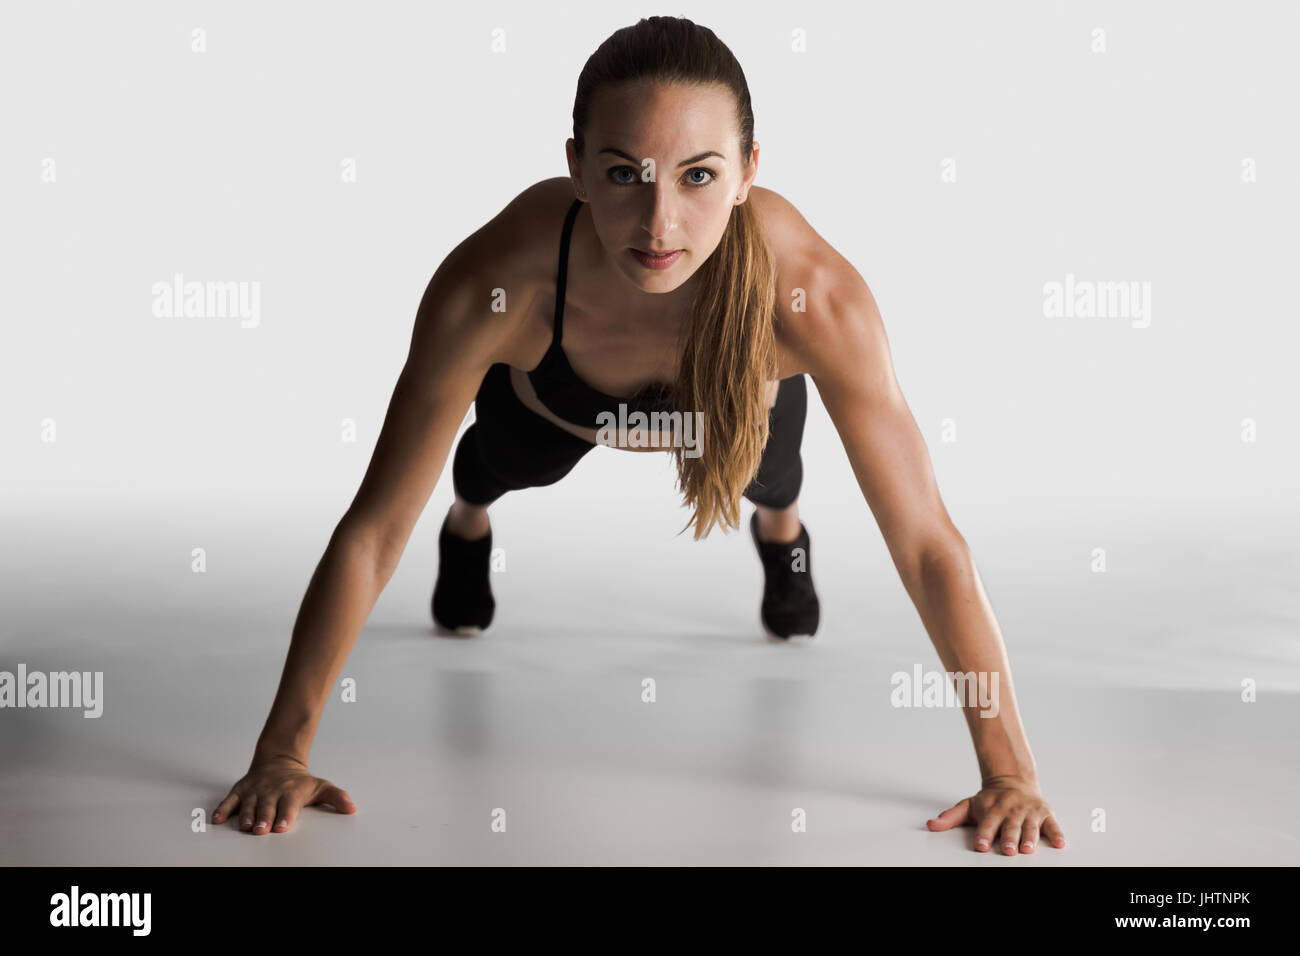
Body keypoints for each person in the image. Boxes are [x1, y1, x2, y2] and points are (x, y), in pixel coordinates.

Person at [215, 16, 1066, 857]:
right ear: (577, 167)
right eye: (626, 173)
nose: (659, 225)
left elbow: (926, 544)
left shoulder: (813, 298)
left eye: (698, 176)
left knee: (773, 479)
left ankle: (782, 534)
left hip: (729, 408)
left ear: (747, 174)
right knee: (488, 471)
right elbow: (375, 527)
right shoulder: (497, 284)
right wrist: (280, 753)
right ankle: (470, 521)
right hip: (557, 408)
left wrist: (1011, 773)